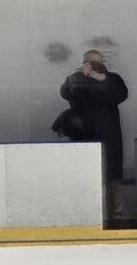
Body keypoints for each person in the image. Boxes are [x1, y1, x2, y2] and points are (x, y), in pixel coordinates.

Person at [53, 48, 129, 220]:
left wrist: (100, 79)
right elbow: (66, 92)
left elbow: (120, 95)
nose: (94, 66)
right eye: (90, 62)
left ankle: (117, 214)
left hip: (109, 134)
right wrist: (77, 77)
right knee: (85, 174)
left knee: (113, 175)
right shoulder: (75, 79)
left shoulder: (113, 79)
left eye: (97, 62)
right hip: (83, 134)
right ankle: (86, 211)